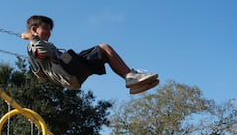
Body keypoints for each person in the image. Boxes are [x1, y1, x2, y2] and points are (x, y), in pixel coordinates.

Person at [22, 15, 159, 94]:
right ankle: (130, 77)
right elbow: (42, 53)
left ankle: (133, 83)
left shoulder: (43, 46)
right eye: (45, 28)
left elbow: (40, 71)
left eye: (50, 29)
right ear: (34, 29)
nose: (49, 32)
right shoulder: (33, 45)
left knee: (104, 54)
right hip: (67, 71)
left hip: (73, 73)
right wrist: (31, 37)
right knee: (104, 47)